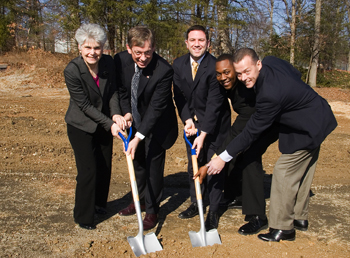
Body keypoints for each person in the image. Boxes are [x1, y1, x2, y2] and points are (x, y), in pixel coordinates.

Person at [206, 48, 337, 241]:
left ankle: (283, 228)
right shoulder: (272, 61)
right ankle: (299, 218)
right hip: (314, 115)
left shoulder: (269, 95)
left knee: (284, 172)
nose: (243, 78)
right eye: (239, 73)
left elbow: (250, 132)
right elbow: (295, 73)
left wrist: (222, 158)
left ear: (258, 64)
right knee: (304, 169)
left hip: (309, 125)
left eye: (247, 71)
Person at [195, 54, 279, 235]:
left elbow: (239, 130)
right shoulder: (227, 86)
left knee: (249, 157)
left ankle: (258, 216)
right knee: (232, 154)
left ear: (236, 71)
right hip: (250, 123)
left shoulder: (246, 91)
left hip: (269, 124)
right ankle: (237, 196)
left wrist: (216, 158)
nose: (223, 77)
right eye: (219, 74)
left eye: (227, 72)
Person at [114, 26, 178, 230]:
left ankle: (152, 210)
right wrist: (127, 113)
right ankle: (138, 201)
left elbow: (156, 108)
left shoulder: (164, 70)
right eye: (138, 52)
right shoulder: (121, 60)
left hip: (158, 125)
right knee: (138, 165)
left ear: (154, 48)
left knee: (152, 169)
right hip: (135, 120)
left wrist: (139, 136)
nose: (143, 58)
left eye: (148, 52)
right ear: (128, 48)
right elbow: (123, 90)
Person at [64, 23, 125, 230]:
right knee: (88, 170)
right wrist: (110, 124)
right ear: (80, 48)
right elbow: (84, 105)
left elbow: (113, 92)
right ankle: (83, 216)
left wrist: (115, 113)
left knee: (104, 167)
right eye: (87, 47)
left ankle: (99, 204)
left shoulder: (108, 63)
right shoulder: (72, 70)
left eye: (97, 47)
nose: (93, 52)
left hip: (105, 124)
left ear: (103, 48)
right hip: (81, 125)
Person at [173, 25, 231, 231]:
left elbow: (215, 103)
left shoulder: (215, 65)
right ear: (186, 43)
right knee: (194, 165)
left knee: (214, 166)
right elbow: (178, 96)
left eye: (201, 40)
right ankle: (196, 202)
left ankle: (213, 210)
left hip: (216, 125)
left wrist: (203, 133)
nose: (197, 44)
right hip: (192, 125)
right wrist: (187, 120)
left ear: (208, 43)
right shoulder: (178, 64)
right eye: (193, 40)